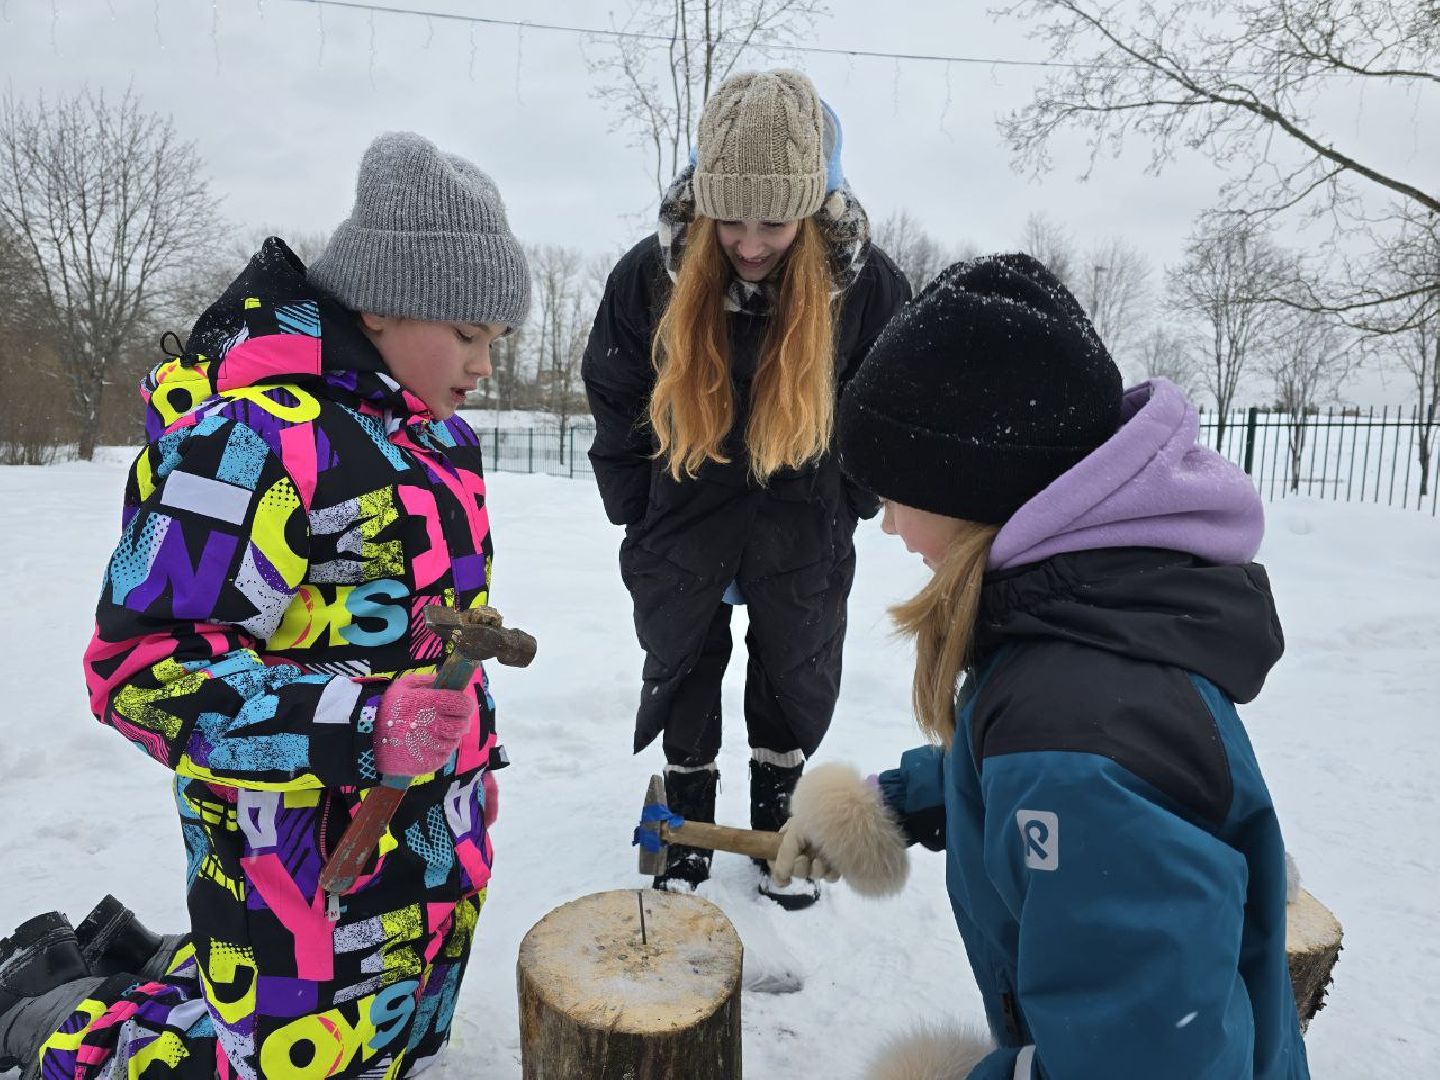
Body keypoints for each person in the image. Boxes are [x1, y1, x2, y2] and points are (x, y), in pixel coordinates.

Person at [0, 130, 530, 1080]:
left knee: (384, 1042)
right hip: (289, 845)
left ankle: (133, 959)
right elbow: (140, 671)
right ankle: (41, 1017)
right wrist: (363, 726)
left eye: (496, 340)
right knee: (278, 1063)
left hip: (423, 844)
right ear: (380, 305)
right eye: (468, 334)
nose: (485, 365)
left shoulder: (442, 447)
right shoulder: (251, 443)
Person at [765, 254, 1311, 1077]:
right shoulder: (1081, 638)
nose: (883, 526)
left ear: (971, 492)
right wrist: (892, 804)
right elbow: (1031, 759)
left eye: (893, 493)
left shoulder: (1071, 747)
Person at [582, 69, 910, 907]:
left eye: (775, 221)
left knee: (794, 664)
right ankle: (685, 823)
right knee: (683, 656)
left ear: (814, 206)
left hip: (803, 517)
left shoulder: (867, 286)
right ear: (703, 207)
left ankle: (777, 824)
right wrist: (638, 507)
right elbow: (615, 396)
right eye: (730, 219)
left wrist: (852, 502)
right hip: (683, 508)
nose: (752, 242)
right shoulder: (647, 277)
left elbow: (888, 406)